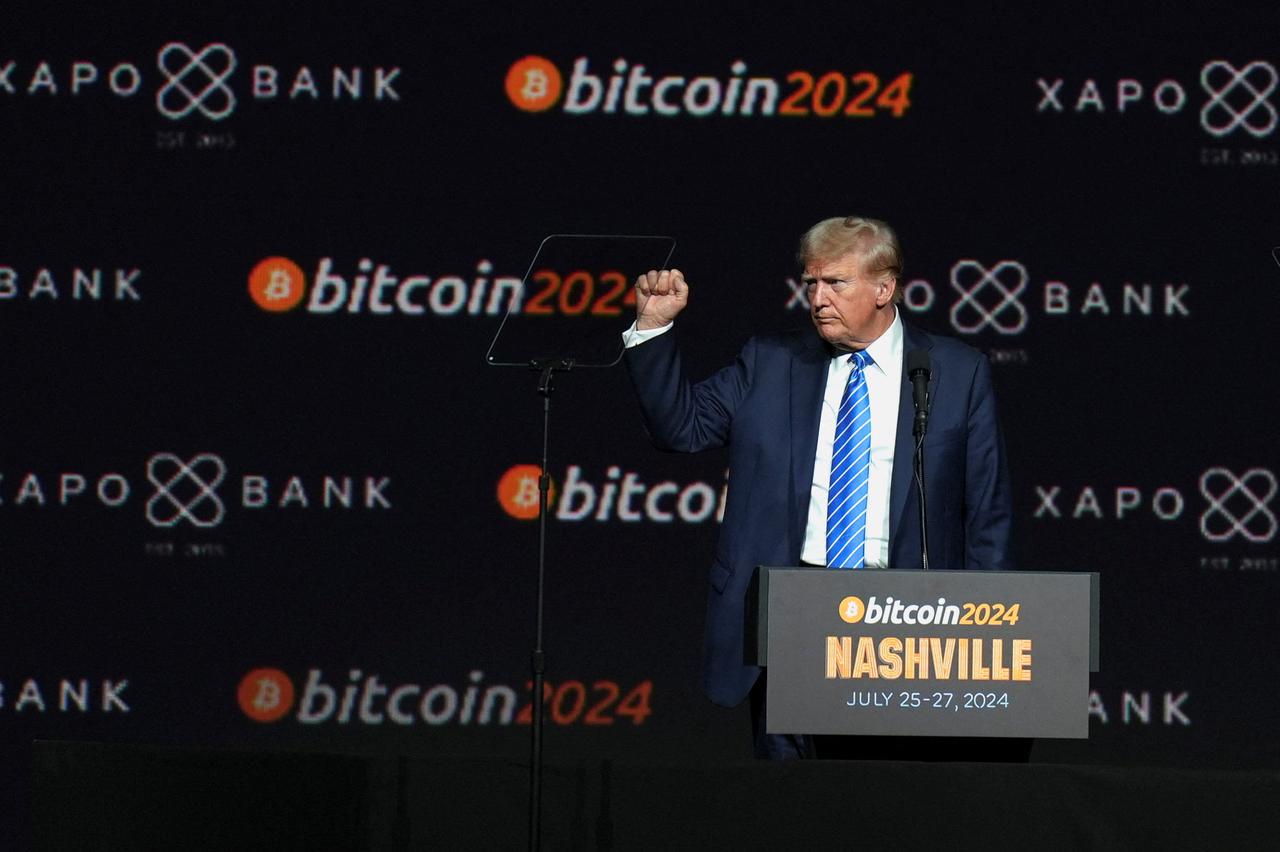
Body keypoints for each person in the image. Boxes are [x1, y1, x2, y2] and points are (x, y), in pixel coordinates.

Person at [623, 216, 1015, 760]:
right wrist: (652, 329)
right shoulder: (769, 361)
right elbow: (680, 428)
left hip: (905, 625)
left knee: (887, 799)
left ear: (884, 287)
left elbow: (986, 512)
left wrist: (978, 633)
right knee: (794, 806)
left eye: (836, 283)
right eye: (811, 284)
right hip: (790, 614)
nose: (818, 298)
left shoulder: (954, 371)